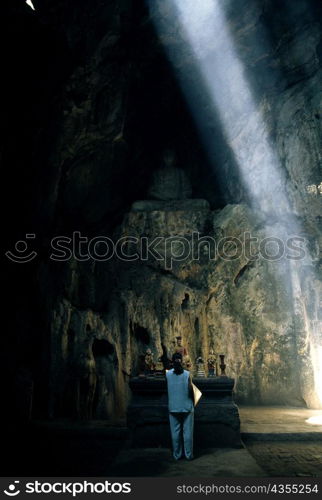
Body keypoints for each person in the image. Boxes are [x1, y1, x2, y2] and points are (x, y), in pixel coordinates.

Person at [166, 352, 194, 460]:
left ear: (172, 362)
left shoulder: (167, 374)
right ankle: (188, 455)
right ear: (182, 361)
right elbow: (191, 390)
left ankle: (177, 455)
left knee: (175, 432)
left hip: (173, 406)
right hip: (187, 407)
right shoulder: (187, 374)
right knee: (188, 432)